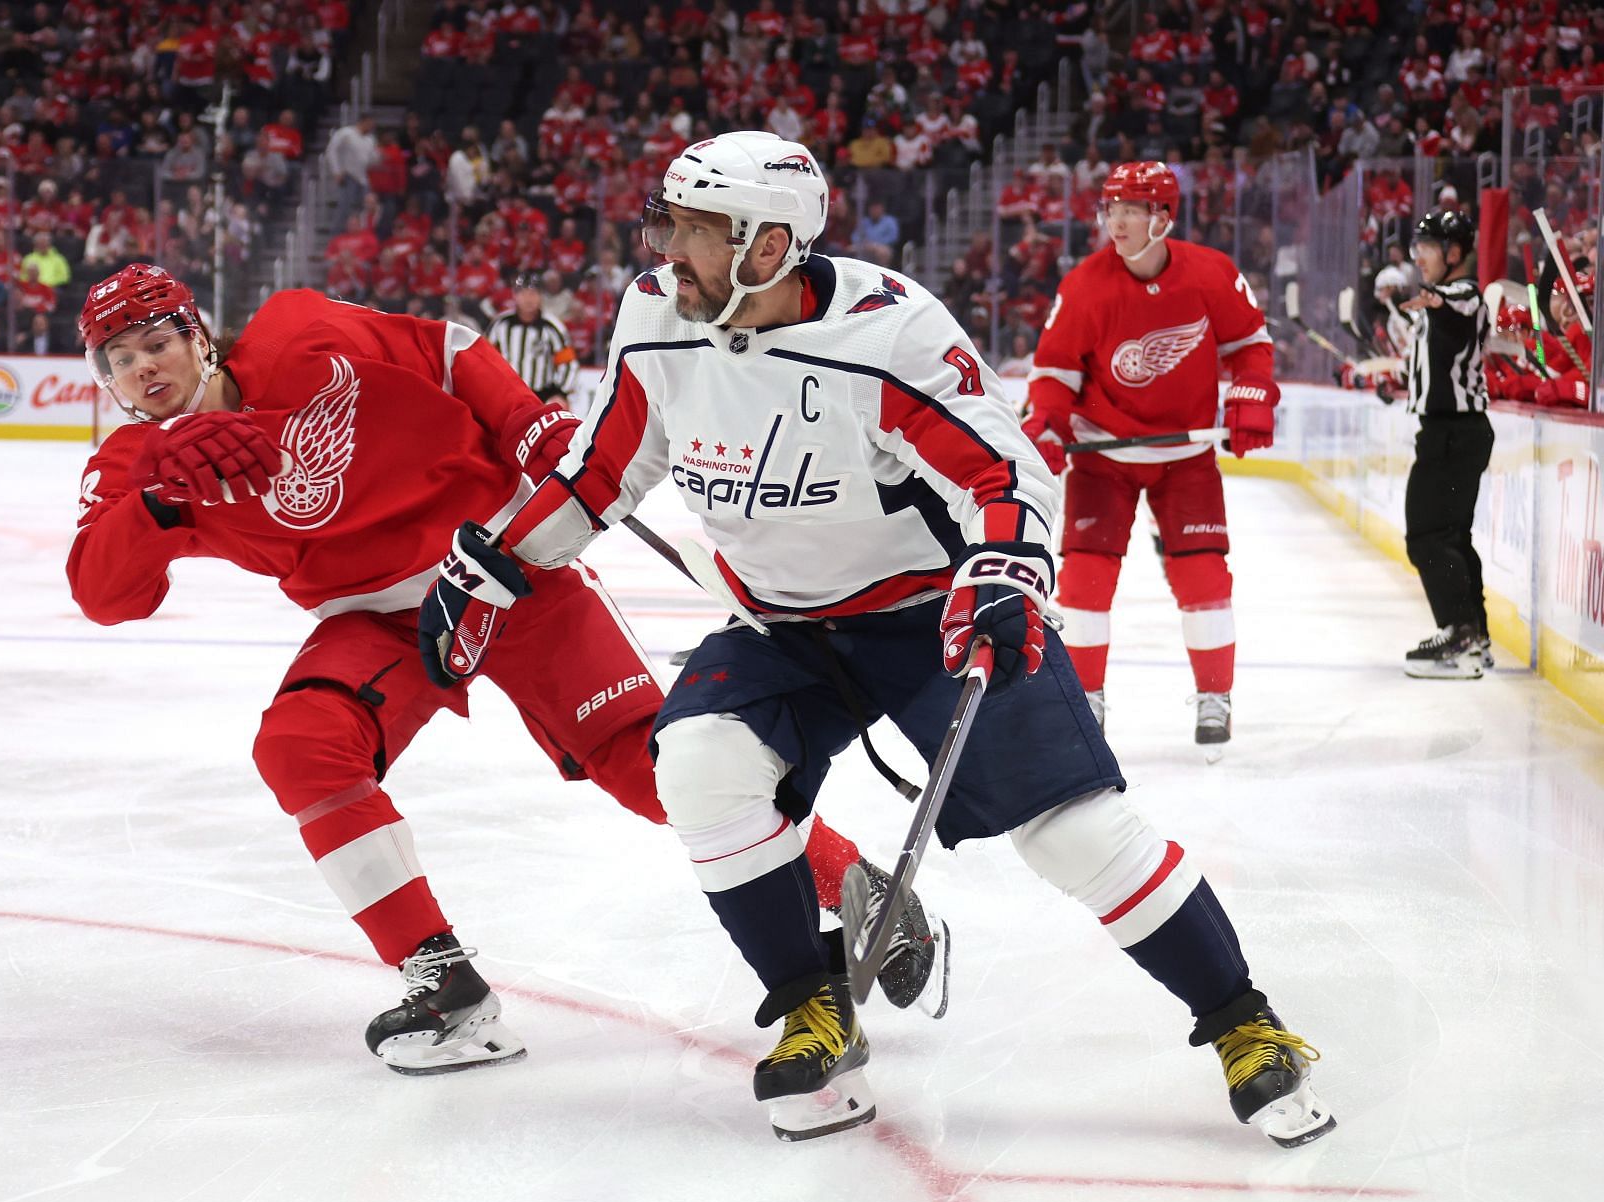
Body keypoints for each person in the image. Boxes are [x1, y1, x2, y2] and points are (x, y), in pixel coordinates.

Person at [421, 131, 1333, 1146]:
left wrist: (1000, 574)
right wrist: (493, 564)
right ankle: (814, 1004)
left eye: (694, 229)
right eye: (667, 222)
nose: (666, 246)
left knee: (1075, 832)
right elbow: (604, 470)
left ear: (769, 247)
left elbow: (1001, 469)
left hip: (925, 610)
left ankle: (1246, 1022)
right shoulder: (657, 315)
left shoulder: (883, 332)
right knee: (699, 760)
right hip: (780, 623)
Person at [66, 264, 948, 1076]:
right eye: (120, 358)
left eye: (157, 342)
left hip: (500, 562)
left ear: (198, 335)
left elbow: (447, 349)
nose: (144, 367)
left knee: (648, 766)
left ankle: (856, 883)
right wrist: (154, 503)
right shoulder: (135, 466)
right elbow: (104, 594)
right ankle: (447, 987)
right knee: (302, 745)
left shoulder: (302, 331)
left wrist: (530, 424)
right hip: (373, 618)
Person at [1021, 161, 1280, 757]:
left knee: (1204, 576)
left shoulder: (1211, 274)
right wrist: (1048, 424)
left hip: (1184, 455)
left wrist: (1251, 394)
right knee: (1085, 580)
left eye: (1131, 209)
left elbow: (1250, 346)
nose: (1116, 221)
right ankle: (1087, 699)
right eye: (1110, 208)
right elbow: (1053, 375)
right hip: (1102, 455)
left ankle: (1215, 696)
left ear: (1164, 217)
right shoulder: (1085, 284)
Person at [1397, 208, 1494, 678]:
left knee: (1426, 536)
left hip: (1454, 435)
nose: (1418, 256)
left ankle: (1458, 636)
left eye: (1427, 247)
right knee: (1452, 537)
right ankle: (1475, 635)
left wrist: (1433, 298)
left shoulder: (1463, 294)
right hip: (1451, 432)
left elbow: (1461, 299)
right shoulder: (1439, 302)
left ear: (1453, 254)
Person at [485, 275, 578, 404]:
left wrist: (560, 393)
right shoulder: (500, 325)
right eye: (523, 294)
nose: (528, 299)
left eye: (533, 294)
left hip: (542, 396)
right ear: (515, 296)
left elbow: (568, 363)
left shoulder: (552, 327)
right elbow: (485, 360)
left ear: (540, 296)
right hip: (507, 394)